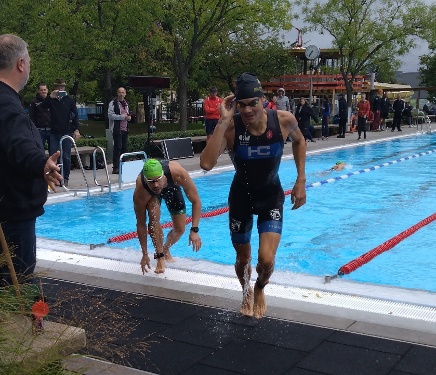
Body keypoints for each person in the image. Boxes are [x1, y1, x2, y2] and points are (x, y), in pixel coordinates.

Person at [200, 72, 307, 319]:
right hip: (241, 198)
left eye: (252, 103)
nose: (247, 109)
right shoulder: (231, 128)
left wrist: (301, 179)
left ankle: (260, 287)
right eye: (242, 104)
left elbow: (299, 142)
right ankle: (245, 290)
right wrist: (222, 122)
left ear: (263, 100)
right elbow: (206, 164)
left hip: (271, 195)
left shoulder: (283, 120)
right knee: (243, 257)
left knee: (266, 259)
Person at [0, 34, 63, 286]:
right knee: (17, 286)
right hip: (13, 214)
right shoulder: (6, 104)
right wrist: (41, 162)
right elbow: (18, 144)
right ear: (20, 64)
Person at [133, 158, 202, 275]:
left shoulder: (177, 173)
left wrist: (194, 230)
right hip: (152, 194)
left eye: (157, 180)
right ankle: (160, 256)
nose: (155, 185)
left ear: (163, 176)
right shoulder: (141, 189)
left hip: (171, 186)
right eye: (151, 181)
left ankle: (165, 249)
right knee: (153, 217)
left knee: (180, 229)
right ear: (145, 179)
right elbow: (141, 223)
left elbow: (196, 201)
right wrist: (144, 254)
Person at [42, 78, 79, 187]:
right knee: (54, 156)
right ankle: (55, 177)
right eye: (57, 87)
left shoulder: (69, 100)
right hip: (54, 132)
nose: (59, 89)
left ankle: (65, 177)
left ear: (64, 88)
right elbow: (43, 107)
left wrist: (76, 129)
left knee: (66, 156)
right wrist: (50, 97)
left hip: (66, 131)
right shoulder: (51, 100)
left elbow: (75, 115)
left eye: (61, 87)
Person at [108, 87, 131, 174]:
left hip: (125, 128)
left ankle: (123, 165)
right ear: (117, 93)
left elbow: (127, 114)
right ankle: (116, 167)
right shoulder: (113, 103)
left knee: (124, 148)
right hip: (117, 129)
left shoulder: (126, 103)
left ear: (125, 94)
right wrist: (122, 117)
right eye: (120, 92)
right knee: (118, 147)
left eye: (123, 92)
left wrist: (128, 118)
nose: (121, 94)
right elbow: (110, 115)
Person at [29, 83, 51, 150]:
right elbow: (31, 116)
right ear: (38, 91)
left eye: (45, 89)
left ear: (47, 90)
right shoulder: (34, 102)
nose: (43, 91)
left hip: (51, 130)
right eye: (41, 90)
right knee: (39, 150)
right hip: (40, 130)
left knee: (53, 151)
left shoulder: (51, 100)